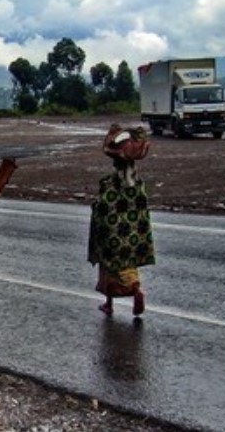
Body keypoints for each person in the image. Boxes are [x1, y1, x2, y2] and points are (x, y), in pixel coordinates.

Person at [88, 124, 156, 317]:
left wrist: (110, 136)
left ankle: (112, 301)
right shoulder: (136, 182)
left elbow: (107, 149)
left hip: (114, 232)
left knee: (110, 265)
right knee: (129, 263)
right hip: (132, 232)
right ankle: (133, 291)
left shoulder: (115, 182)